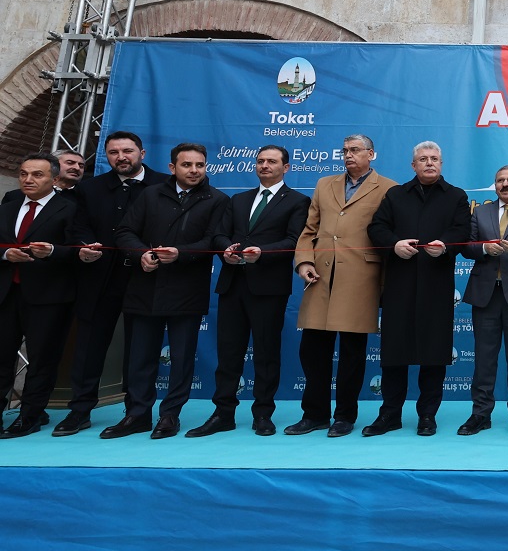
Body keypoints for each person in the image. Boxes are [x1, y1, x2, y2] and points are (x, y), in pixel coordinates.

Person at [106, 143, 229, 439]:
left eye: (200, 165)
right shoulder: (150, 194)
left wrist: (181, 253)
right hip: (144, 286)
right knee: (140, 357)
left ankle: (170, 415)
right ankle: (137, 414)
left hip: (187, 289)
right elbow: (125, 232)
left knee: (182, 359)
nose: (194, 170)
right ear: (173, 167)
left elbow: (214, 240)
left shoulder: (217, 199)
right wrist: (141, 254)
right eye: (187, 165)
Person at [186, 145, 310, 438]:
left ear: (286, 168)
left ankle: (263, 414)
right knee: (228, 353)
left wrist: (262, 252)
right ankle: (223, 414)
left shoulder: (298, 201)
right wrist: (226, 250)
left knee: (266, 354)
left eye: (271, 161)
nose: (264, 165)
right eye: (260, 161)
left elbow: (294, 240)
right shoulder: (238, 199)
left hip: (268, 289)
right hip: (232, 285)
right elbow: (219, 234)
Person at [56, 131, 168, 436]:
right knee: (89, 347)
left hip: (145, 277)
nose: (121, 157)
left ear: (142, 153)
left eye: (127, 151)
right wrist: (83, 247)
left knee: (140, 349)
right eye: (114, 152)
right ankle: (80, 410)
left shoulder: (163, 185)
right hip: (98, 278)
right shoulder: (89, 188)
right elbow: (76, 227)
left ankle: (136, 412)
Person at [289, 134, 397, 438]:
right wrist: (304, 262)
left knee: (352, 353)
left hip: (361, 276)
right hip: (320, 275)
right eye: (345, 150)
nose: (348, 155)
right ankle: (314, 415)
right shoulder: (324, 184)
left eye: (355, 150)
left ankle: (345, 416)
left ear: (371, 154)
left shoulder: (388, 188)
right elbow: (309, 229)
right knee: (312, 350)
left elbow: (387, 232)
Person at [365, 141, 470, 437]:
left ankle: (427, 415)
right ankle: (390, 414)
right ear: (413, 165)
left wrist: (445, 245)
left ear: (441, 163)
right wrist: (394, 245)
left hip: (437, 284)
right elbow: (376, 228)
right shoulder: (396, 194)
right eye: (423, 159)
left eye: (434, 158)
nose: (429, 163)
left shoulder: (456, 196)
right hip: (399, 283)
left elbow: (462, 230)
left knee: (434, 354)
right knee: (394, 353)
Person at [0, 153, 79, 438]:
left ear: (54, 179)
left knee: (42, 360)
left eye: (37, 174)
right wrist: (6, 254)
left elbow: (80, 250)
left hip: (48, 297)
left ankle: (30, 416)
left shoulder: (70, 209)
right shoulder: (7, 207)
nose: (28, 179)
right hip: (6, 295)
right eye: (23, 174)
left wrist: (53, 252)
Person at [459, 165, 508, 437]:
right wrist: (483, 248)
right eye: (500, 180)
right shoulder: (480, 212)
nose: (505, 184)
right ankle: (481, 413)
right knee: (484, 359)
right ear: (494, 185)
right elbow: (466, 246)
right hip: (486, 294)